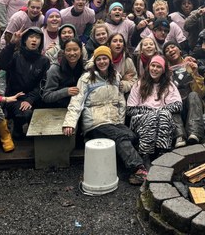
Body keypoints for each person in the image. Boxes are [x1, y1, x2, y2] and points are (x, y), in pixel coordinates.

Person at [62, 45, 148, 185]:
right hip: (95, 123)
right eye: (99, 59)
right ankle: (138, 169)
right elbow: (76, 102)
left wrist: (120, 122)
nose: (102, 62)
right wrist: (69, 123)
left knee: (132, 136)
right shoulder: (86, 79)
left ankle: (131, 164)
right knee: (121, 136)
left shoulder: (116, 77)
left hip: (113, 121)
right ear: (95, 61)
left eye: (105, 58)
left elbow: (120, 102)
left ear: (110, 60)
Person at [127, 55, 182, 166]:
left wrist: (158, 111)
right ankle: (145, 155)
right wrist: (149, 111)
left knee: (164, 114)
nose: (155, 69)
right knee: (152, 117)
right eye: (153, 65)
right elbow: (130, 110)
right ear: (149, 67)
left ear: (163, 70)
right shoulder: (139, 84)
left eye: (158, 67)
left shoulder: (169, 85)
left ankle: (162, 152)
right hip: (140, 120)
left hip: (161, 119)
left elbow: (178, 105)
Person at [0, 26, 50, 138]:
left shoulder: (44, 61)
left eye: (37, 38)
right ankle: (17, 126)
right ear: (25, 40)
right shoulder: (16, 56)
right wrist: (12, 44)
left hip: (34, 98)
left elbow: (43, 83)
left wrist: (30, 99)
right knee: (25, 113)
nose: (34, 40)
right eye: (31, 37)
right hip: (14, 97)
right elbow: (2, 64)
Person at [162, 41, 205, 147]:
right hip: (176, 110)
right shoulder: (164, 71)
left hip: (191, 106)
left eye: (173, 47)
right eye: (167, 50)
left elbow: (201, 93)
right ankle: (179, 135)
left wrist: (195, 73)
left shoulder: (190, 65)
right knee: (171, 102)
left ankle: (194, 133)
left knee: (193, 95)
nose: (170, 50)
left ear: (180, 50)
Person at [40, 37, 85, 108]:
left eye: (75, 50)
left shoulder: (85, 67)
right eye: (68, 50)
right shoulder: (55, 69)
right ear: (64, 52)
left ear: (81, 51)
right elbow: (46, 96)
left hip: (79, 106)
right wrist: (65, 92)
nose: (72, 53)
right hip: (58, 107)